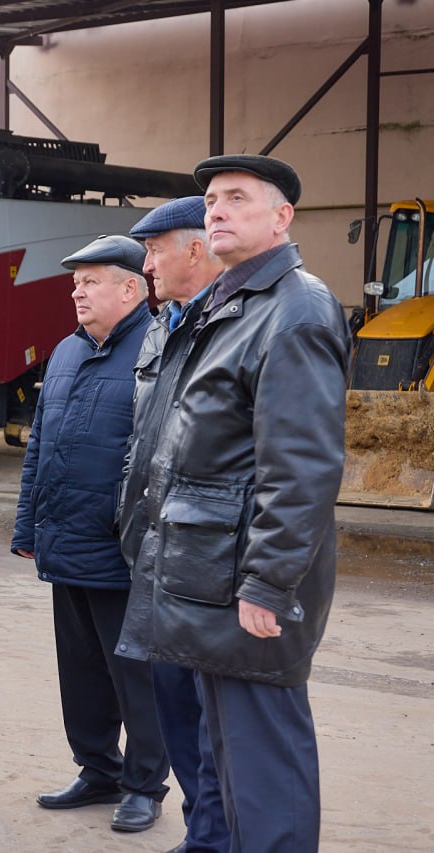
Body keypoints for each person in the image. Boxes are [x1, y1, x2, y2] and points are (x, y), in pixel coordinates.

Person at [134, 155, 349, 851]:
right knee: (230, 768)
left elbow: (303, 467)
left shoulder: (295, 309)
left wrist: (267, 579)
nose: (216, 210)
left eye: (236, 198)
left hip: (247, 587)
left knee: (267, 773)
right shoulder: (235, 301)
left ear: (281, 217)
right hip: (211, 575)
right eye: (211, 200)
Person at [11, 234, 169, 833]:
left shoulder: (158, 351)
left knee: (135, 672)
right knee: (80, 670)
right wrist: (28, 524)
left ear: (131, 288)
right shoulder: (66, 353)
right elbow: (40, 449)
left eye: (91, 281)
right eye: (75, 282)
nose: (77, 290)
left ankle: (145, 784)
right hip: (64, 543)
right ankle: (98, 769)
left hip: (122, 551)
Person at [117, 197, 229, 853]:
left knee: (215, 712)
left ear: (194, 249)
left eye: (155, 249)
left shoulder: (233, 322)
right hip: (157, 548)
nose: (147, 262)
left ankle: (215, 835)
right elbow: (145, 435)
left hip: (208, 553)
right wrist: (128, 519)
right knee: (172, 702)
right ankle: (202, 829)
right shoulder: (165, 326)